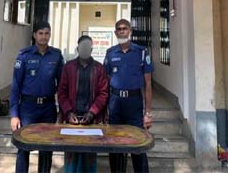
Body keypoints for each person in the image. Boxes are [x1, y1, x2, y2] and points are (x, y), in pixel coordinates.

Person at [9, 21, 65, 173]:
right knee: (23, 147)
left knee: (46, 148)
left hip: (48, 108)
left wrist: (62, 111)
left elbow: (61, 86)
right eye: (40, 33)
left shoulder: (56, 55)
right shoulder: (24, 55)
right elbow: (16, 86)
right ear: (34, 35)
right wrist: (14, 115)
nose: (43, 37)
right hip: (28, 108)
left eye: (47, 33)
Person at [103, 19, 154, 173]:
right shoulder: (110, 53)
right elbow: (106, 83)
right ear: (115, 33)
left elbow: (148, 84)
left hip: (134, 103)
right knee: (115, 144)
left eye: (125, 28)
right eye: (119, 29)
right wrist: (105, 110)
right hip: (116, 103)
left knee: (138, 143)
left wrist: (148, 113)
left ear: (130, 31)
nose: (122, 31)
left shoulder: (141, 52)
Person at [57, 35, 110, 173]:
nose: (85, 49)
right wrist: (68, 112)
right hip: (71, 120)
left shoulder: (99, 68)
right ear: (78, 49)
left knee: (89, 157)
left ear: (91, 49)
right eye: (82, 47)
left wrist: (92, 112)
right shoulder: (68, 67)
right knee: (71, 157)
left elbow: (103, 93)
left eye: (88, 47)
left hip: (91, 120)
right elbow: (61, 92)